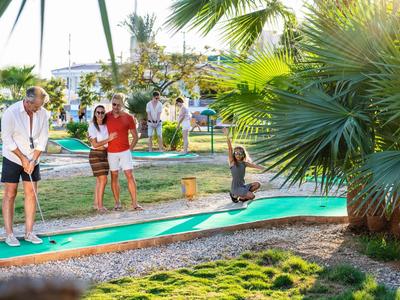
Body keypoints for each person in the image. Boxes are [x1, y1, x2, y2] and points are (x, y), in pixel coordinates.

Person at [1, 86, 50, 247]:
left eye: (40, 105)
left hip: (32, 158)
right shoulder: (11, 113)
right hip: (13, 157)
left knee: (31, 193)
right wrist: (22, 159)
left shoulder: (42, 113)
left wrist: (33, 160)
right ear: (27, 102)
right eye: (36, 106)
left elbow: (43, 139)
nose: (39, 109)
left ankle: (29, 232)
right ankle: (9, 234)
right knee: (10, 193)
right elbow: (7, 140)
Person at [106, 93, 143, 211]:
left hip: (124, 152)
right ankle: (117, 203)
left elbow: (135, 137)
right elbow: (96, 127)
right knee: (114, 176)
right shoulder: (106, 116)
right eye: (114, 104)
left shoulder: (128, 118)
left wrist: (129, 150)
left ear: (122, 105)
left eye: (118, 105)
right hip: (111, 152)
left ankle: (135, 204)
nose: (116, 107)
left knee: (129, 175)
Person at [88, 105, 117, 212]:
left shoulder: (106, 125)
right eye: (98, 112)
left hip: (105, 154)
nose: (100, 114)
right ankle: (100, 206)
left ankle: (96, 204)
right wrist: (109, 139)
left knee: (99, 181)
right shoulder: (92, 126)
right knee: (103, 179)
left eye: (102, 112)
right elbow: (95, 144)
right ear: (95, 113)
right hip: (95, 154)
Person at [222, 128, 264, 203]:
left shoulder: (244, 163)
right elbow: (230, 149)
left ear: (243, 155)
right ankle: (234, 195)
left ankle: (242, 198)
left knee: (257, 184)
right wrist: (227, 136)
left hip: (242, 186)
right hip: (235, 188)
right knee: (252, 196)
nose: (238, 155)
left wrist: (267, 168)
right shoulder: (232, 162)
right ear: (234, 154)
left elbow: (255, 166)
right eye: (236, 153)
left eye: (240, 153)